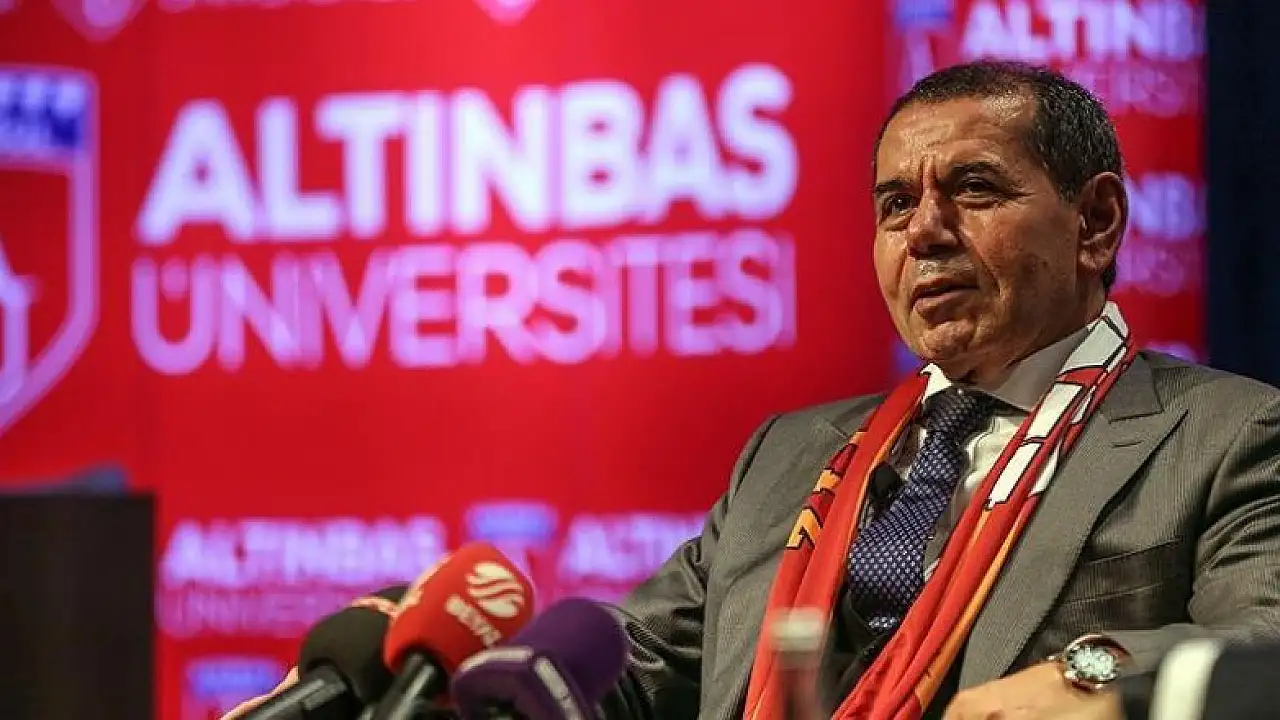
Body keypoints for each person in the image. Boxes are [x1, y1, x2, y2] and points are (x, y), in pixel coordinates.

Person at [222, 60, 1280, 720]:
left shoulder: (1226, 435)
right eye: (892, 204)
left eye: (972, 189)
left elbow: (1264, 646)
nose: (922, 231)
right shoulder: (792, 452)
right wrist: (448, 691)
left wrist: (1093, 673)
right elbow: (641, 662)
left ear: (1095, 221)